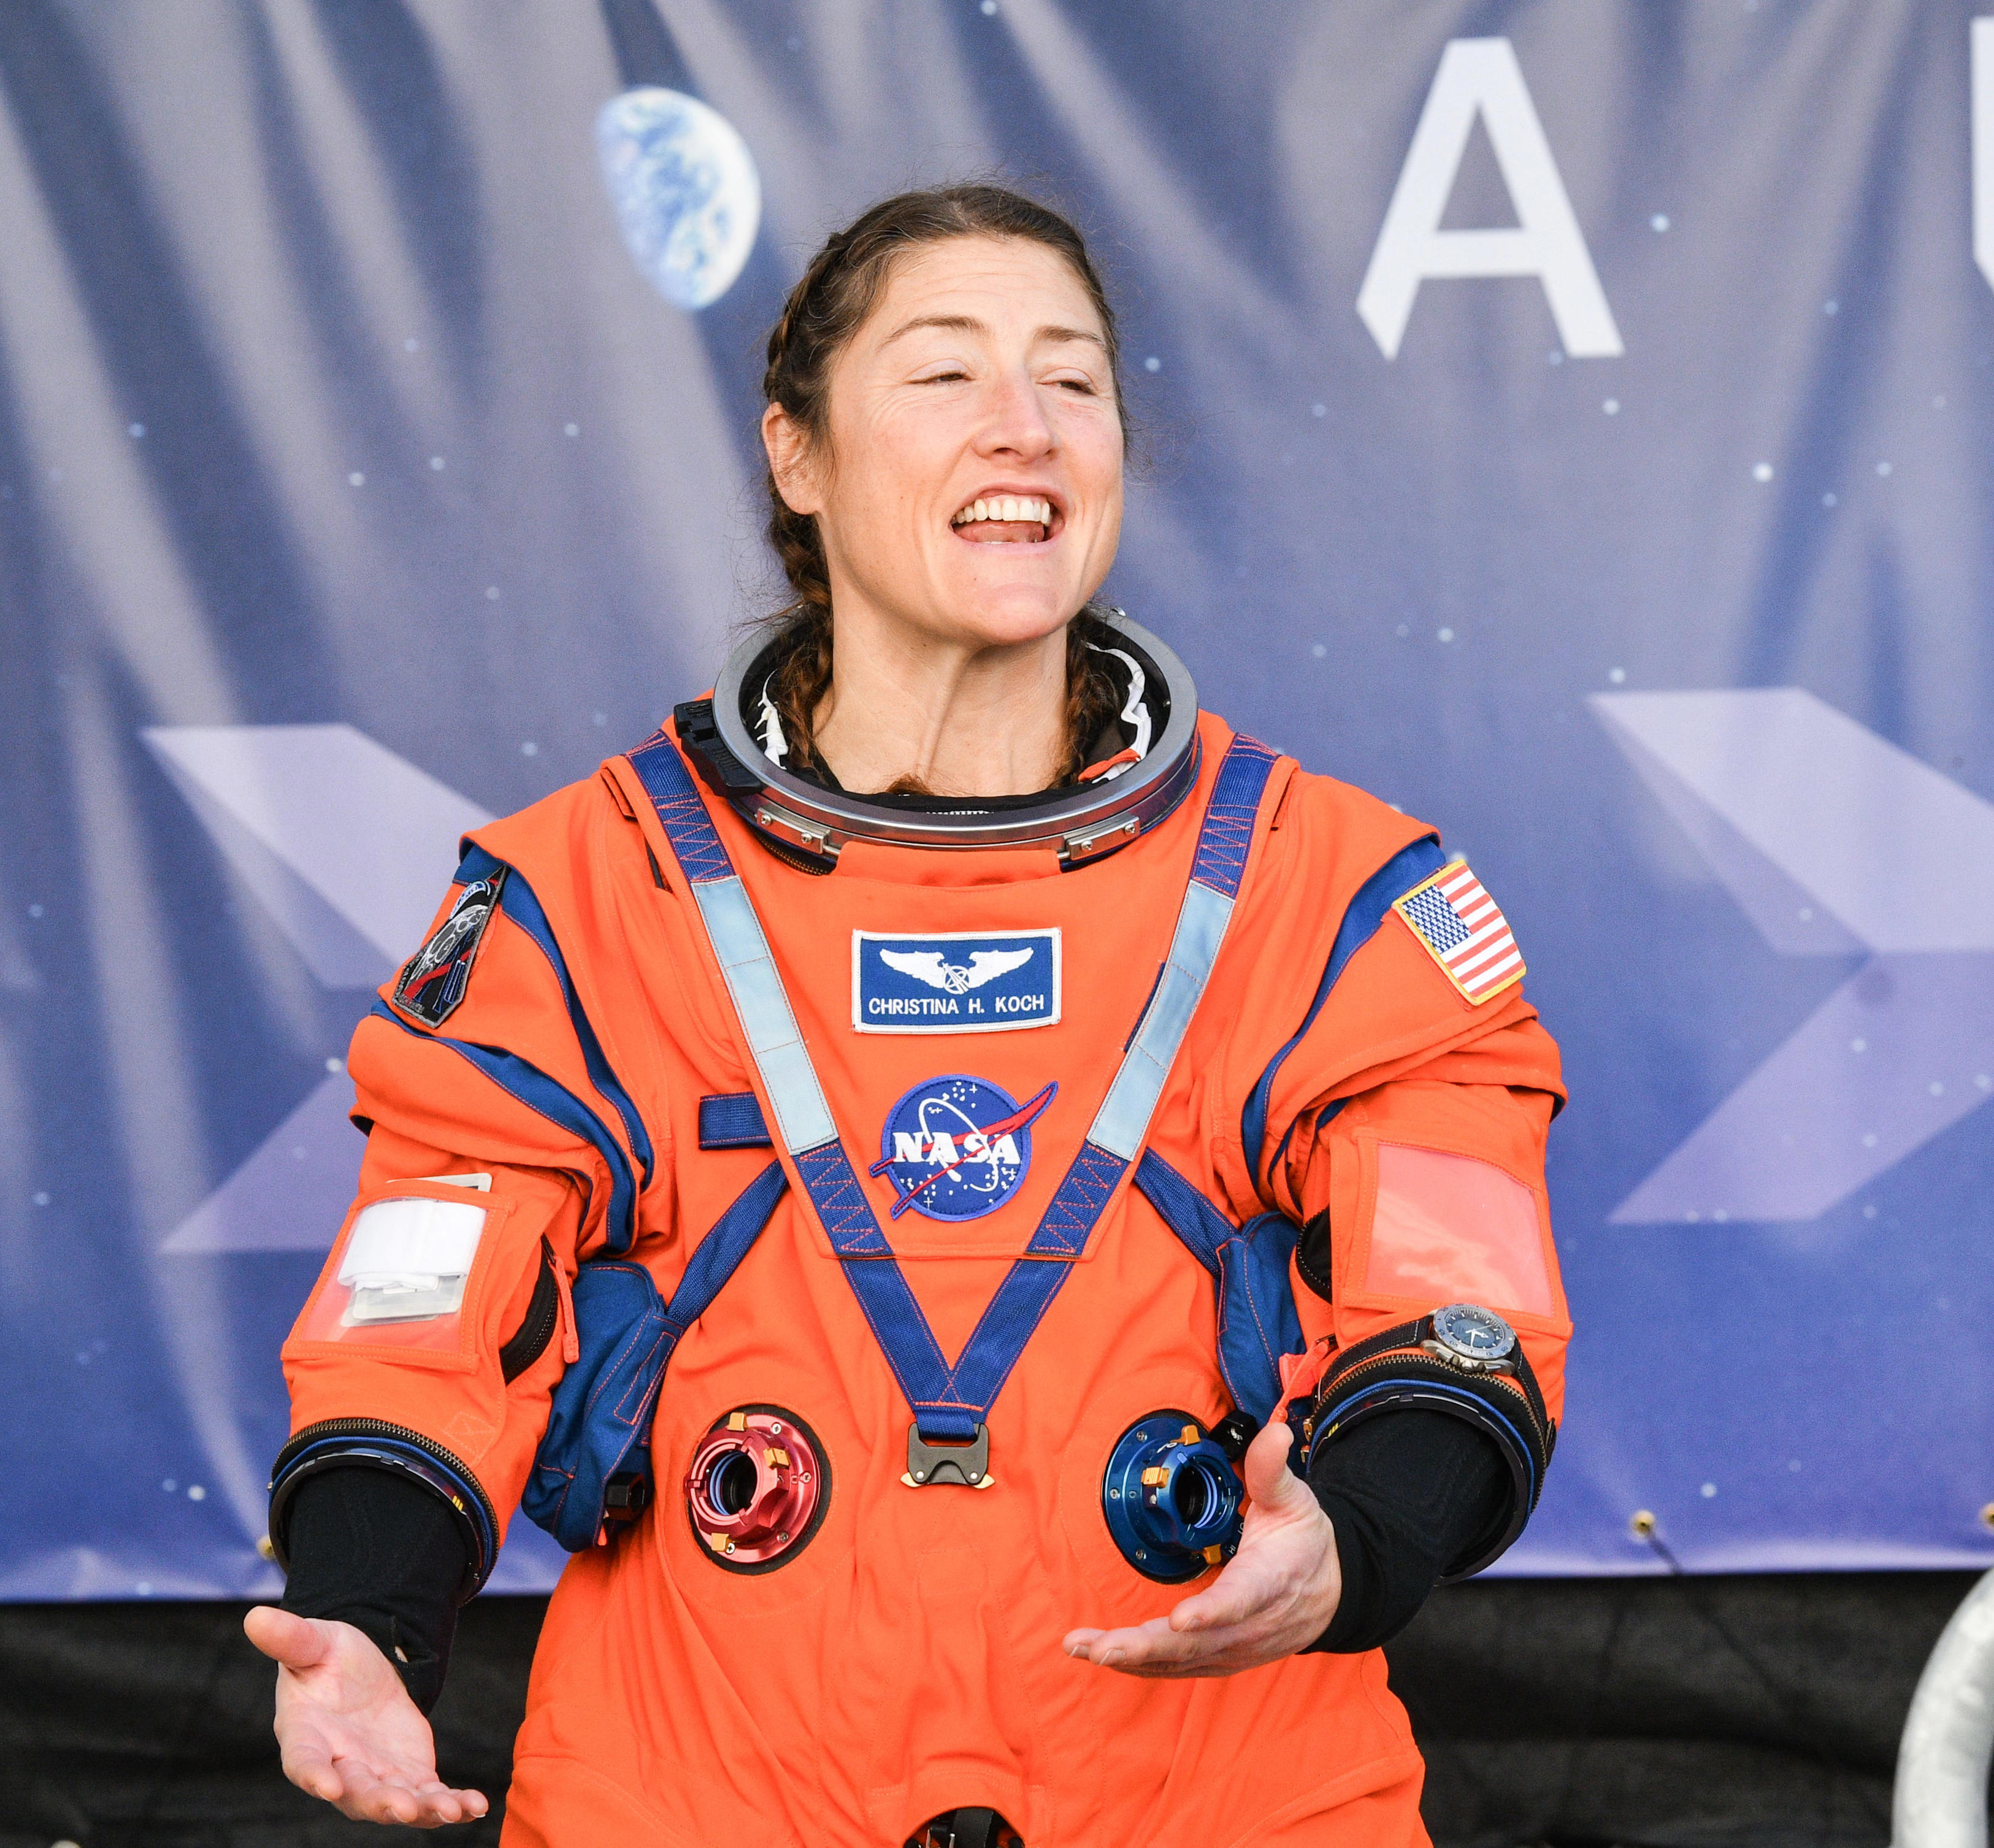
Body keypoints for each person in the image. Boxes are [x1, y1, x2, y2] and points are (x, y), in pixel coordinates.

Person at [244, 185, 1569, 1847]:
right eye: (943, 376)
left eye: (1071, 380)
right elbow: (420, 1317)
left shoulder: (1325, 891)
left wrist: (1357, 1540)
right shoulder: (596, 891)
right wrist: (369, 1618)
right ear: (795, 458)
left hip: (1219, 1797)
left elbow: (1460, 1306)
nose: (1022, 427)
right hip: (702, 1799)